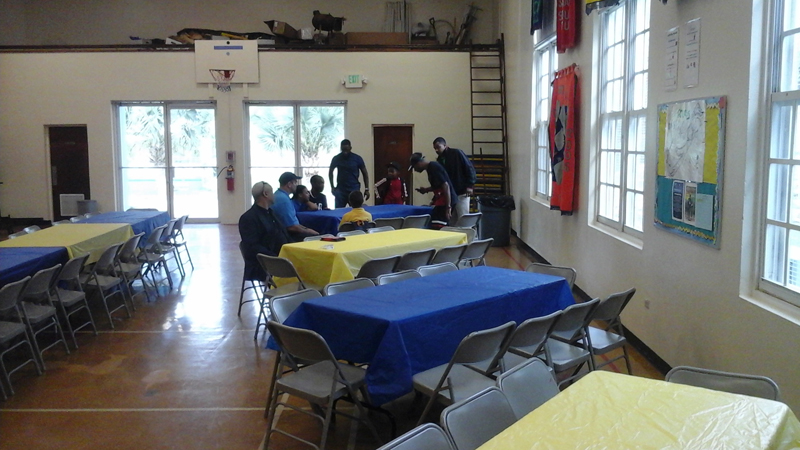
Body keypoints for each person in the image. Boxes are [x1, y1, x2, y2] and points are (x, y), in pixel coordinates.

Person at [238, 181, 292, 281]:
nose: (274, 195)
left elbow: (283, 234)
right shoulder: (248, 218)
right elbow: (253, 247)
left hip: (281, 257)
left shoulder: (271, 213)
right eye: (272, 192)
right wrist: (277, 258)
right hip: (265, 263)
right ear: (265, 194)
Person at [433, 137, 477, 224]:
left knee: (463, 216)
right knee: (453, 219)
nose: (437, 150)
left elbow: (469, 168)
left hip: (462, 191)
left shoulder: (456, 153)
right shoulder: (440, 160)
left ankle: (469, 232)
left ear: (445, 145)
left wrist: (470, 185)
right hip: (451, 193)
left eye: (438, 147)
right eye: (435, 148)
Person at [409, 152, 457, 229]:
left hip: (445, 201)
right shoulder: (430, 168)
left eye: (414, 167)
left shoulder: (434, 167)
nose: (415, 170)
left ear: (419, 163)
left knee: (438, 226)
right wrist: (426, 190)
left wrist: (448, 206)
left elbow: (445, 185)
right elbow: (438, 185)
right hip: (443, 201)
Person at [271, 172, 320, 241]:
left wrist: (307, 229)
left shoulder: (278, 195)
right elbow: (292, 227)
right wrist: (310, 232)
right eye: (295, 182)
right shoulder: (284, 200)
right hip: (287, 236)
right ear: (289, 184)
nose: (296, 185)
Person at [329, 139, 370, 208]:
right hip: (341, 190)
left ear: (350, 148)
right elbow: (330, 172)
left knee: (357, 210)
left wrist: (367, 189)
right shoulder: (336, 158)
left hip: (354, 189)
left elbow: (365, 174)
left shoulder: (357, 158)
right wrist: (332, 187)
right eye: (343, 150)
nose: (345, 152)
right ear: (341, 148)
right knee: (339, 211)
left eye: (346, 150)